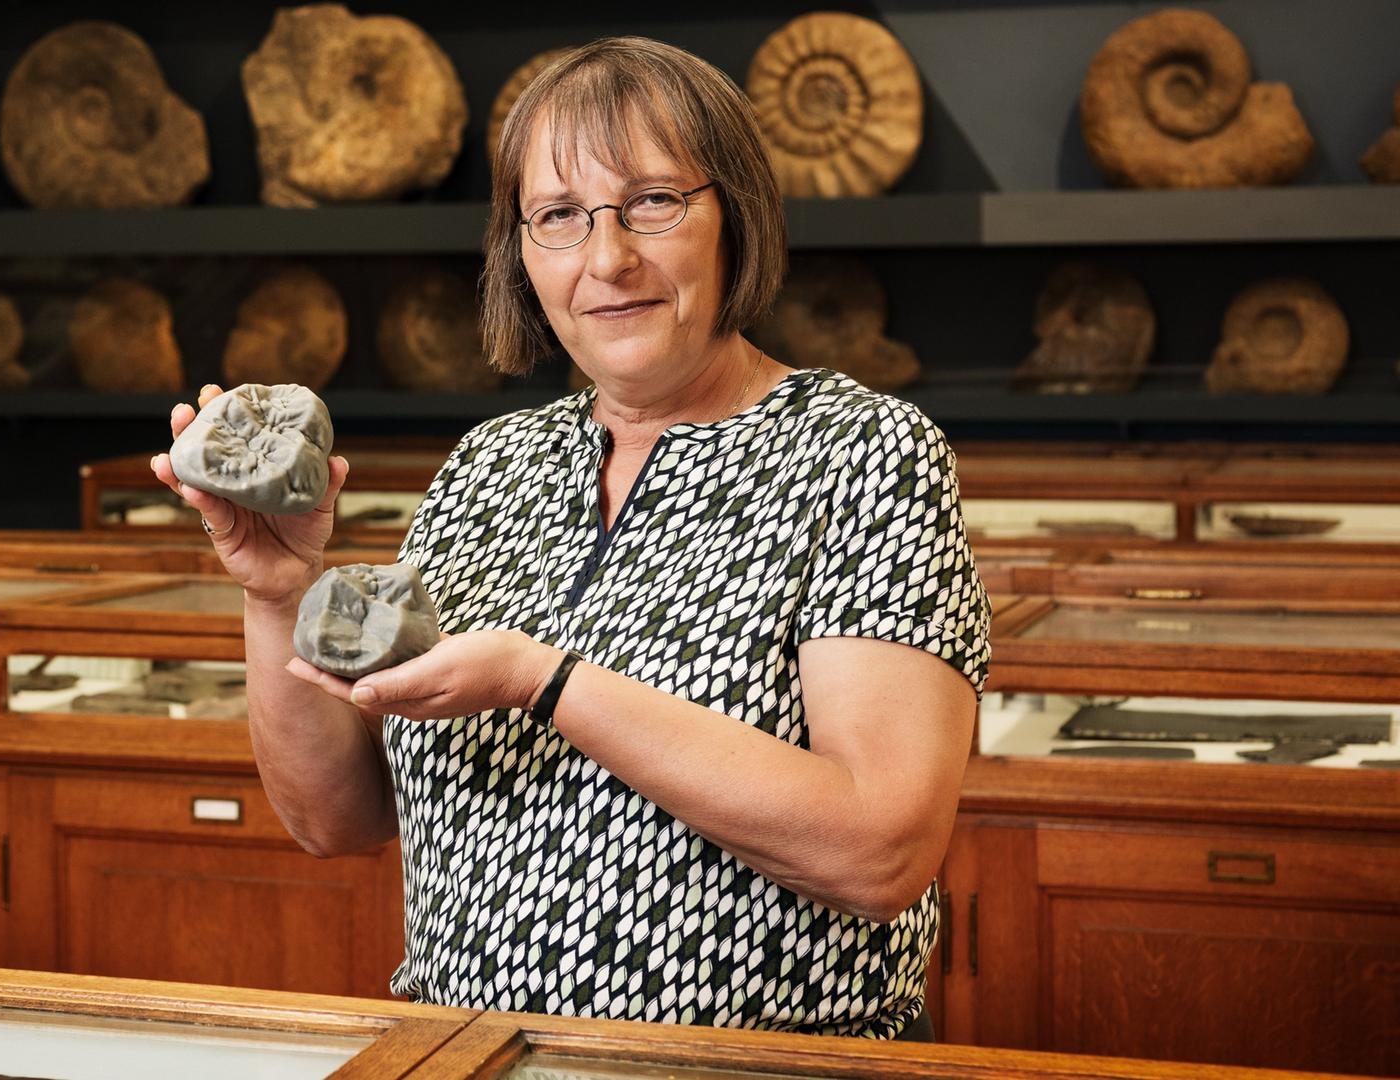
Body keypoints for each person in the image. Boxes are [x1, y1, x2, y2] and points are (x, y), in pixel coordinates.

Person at [151, 37, 988, 1040]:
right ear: (521, 255)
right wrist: (278, 591)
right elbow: (336, 822)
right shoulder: (488, 464)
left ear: (736, 217)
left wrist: (547, 682)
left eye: (653, 203)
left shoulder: (863, 452)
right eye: (558, 217)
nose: (607, 258)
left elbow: (880, 850)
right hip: (467, 1056)